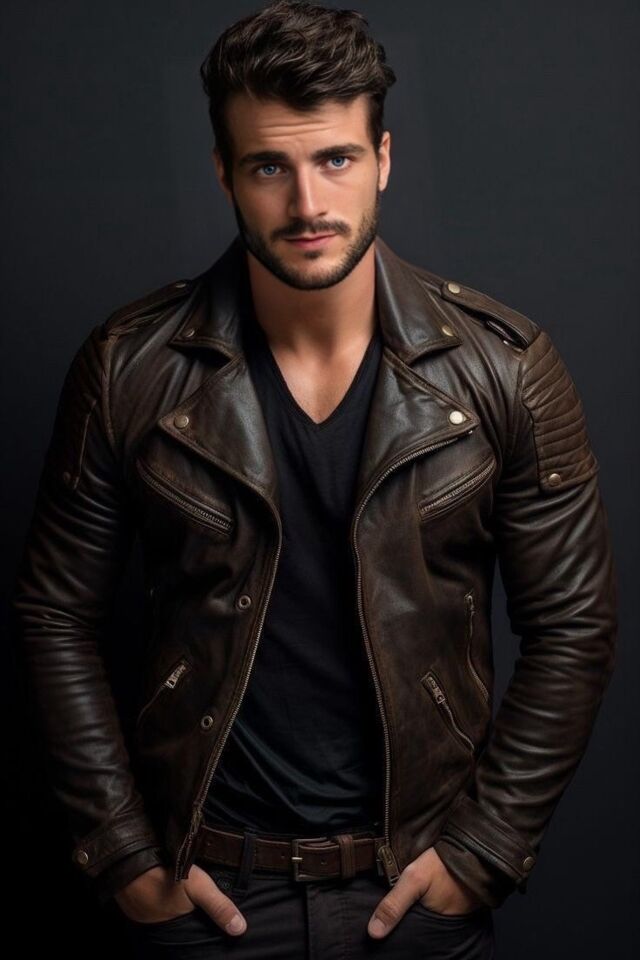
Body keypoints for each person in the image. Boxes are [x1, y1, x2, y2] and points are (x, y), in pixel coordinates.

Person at [12, 1, 617, 957]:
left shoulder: (504, 369)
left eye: (335, 159)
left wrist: (484, 851)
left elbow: (574, 625)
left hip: (414, 896)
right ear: (224, 173)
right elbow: (53, 614)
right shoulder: (129, 367)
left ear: (384, 158)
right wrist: (123, 855)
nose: (306, 205)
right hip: (204, 895)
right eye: (269, 167)